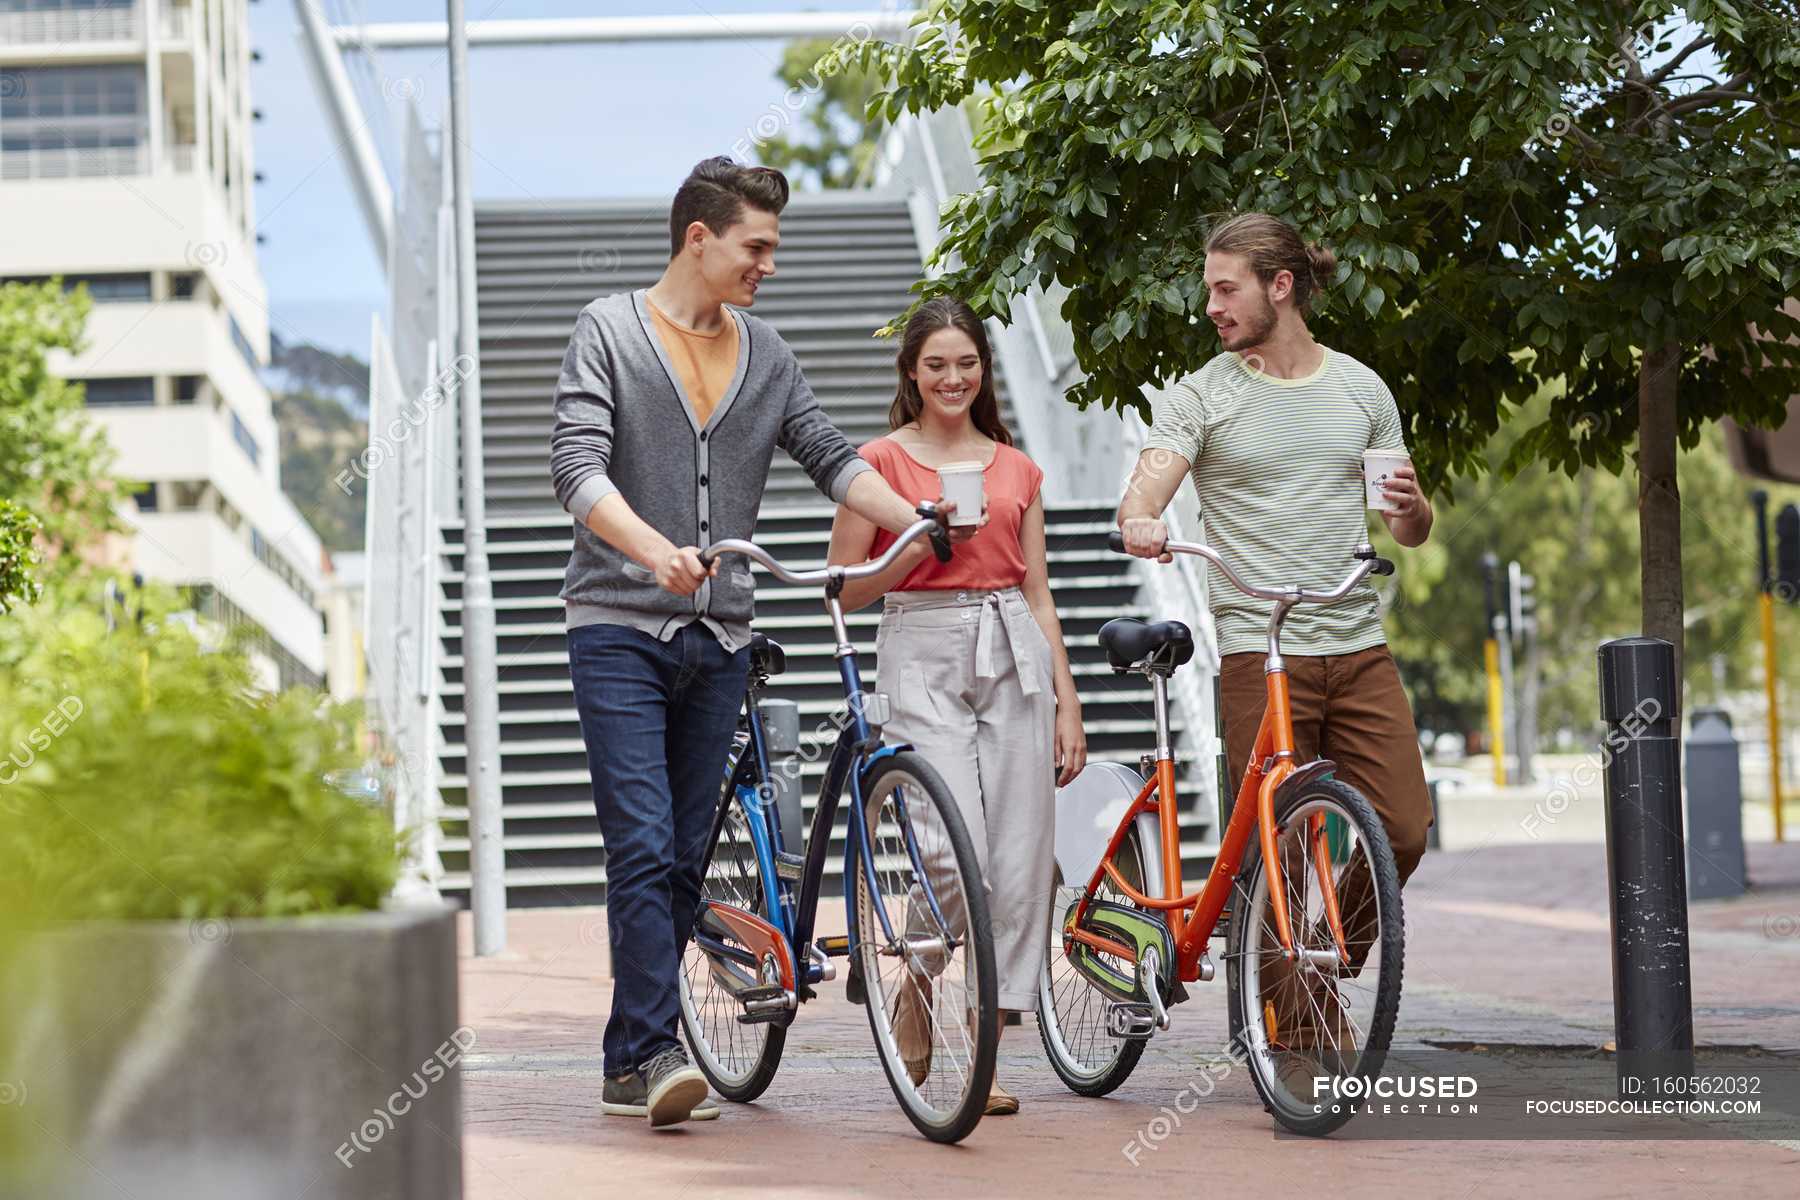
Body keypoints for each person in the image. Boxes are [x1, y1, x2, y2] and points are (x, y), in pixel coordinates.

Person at [548, 157, 969, 1128]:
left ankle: (629, 1052)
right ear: (700, 238)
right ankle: (652, 1054)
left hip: (722, 634)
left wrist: (911, 513)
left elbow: (827, 453)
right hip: (617, 625)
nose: (768, 264)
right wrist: (656, 552)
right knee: (645, 841)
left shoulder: (766, 353)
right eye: (757, 246)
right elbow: (575, 467)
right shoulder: (607, 331)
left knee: (683, 857)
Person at [1115, 211, 1434, 1064]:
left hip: (1356, 639)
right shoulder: (1201, 394)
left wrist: (1411, 512)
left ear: (1278, 286)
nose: (1211, 305)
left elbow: (1408, 526)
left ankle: (1317, 956)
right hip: (1261, 644)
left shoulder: (1362, 390)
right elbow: (1146, 487)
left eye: (1226, 289)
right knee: (1275, 849)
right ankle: (1295, 1019)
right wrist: (1141, 517)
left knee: (1401, 826)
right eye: (1210, 287)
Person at [826, 296, 1087, 1116]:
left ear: (983, 371)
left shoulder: (1015, 467)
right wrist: (913, 541)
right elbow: (845, 591)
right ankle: (915, 978)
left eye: (965, 363)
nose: (952, 377)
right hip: (921, 643)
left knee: (1017, 858)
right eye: (935, 364)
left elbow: (1039, 595)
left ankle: (982, 1046)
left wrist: (1066, 703)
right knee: (949, 845)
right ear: (911, 371)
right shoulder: (876, 467)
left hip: (1012, 645)